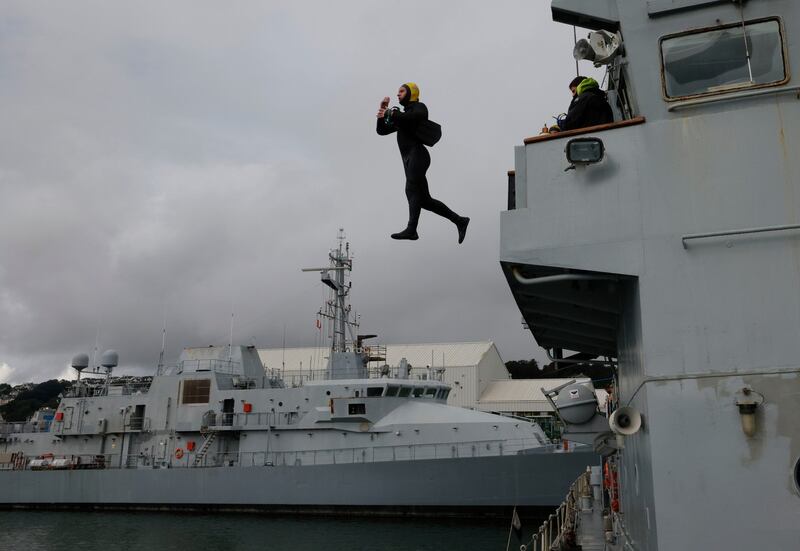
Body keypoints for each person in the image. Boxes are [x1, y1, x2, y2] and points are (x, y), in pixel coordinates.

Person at [376, 82, 469, 243]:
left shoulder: (418, 107)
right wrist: (382, 115)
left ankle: (412, 230)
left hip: (418, 155)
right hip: (408, 160)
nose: (398, 94)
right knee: (424, 200)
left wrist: (392, 113)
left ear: (411, 93)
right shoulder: (402, 116)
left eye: (402, 91)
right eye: (398, 92)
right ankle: (460, 220)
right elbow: (382, 131)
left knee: (411, 189)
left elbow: (415, 117)